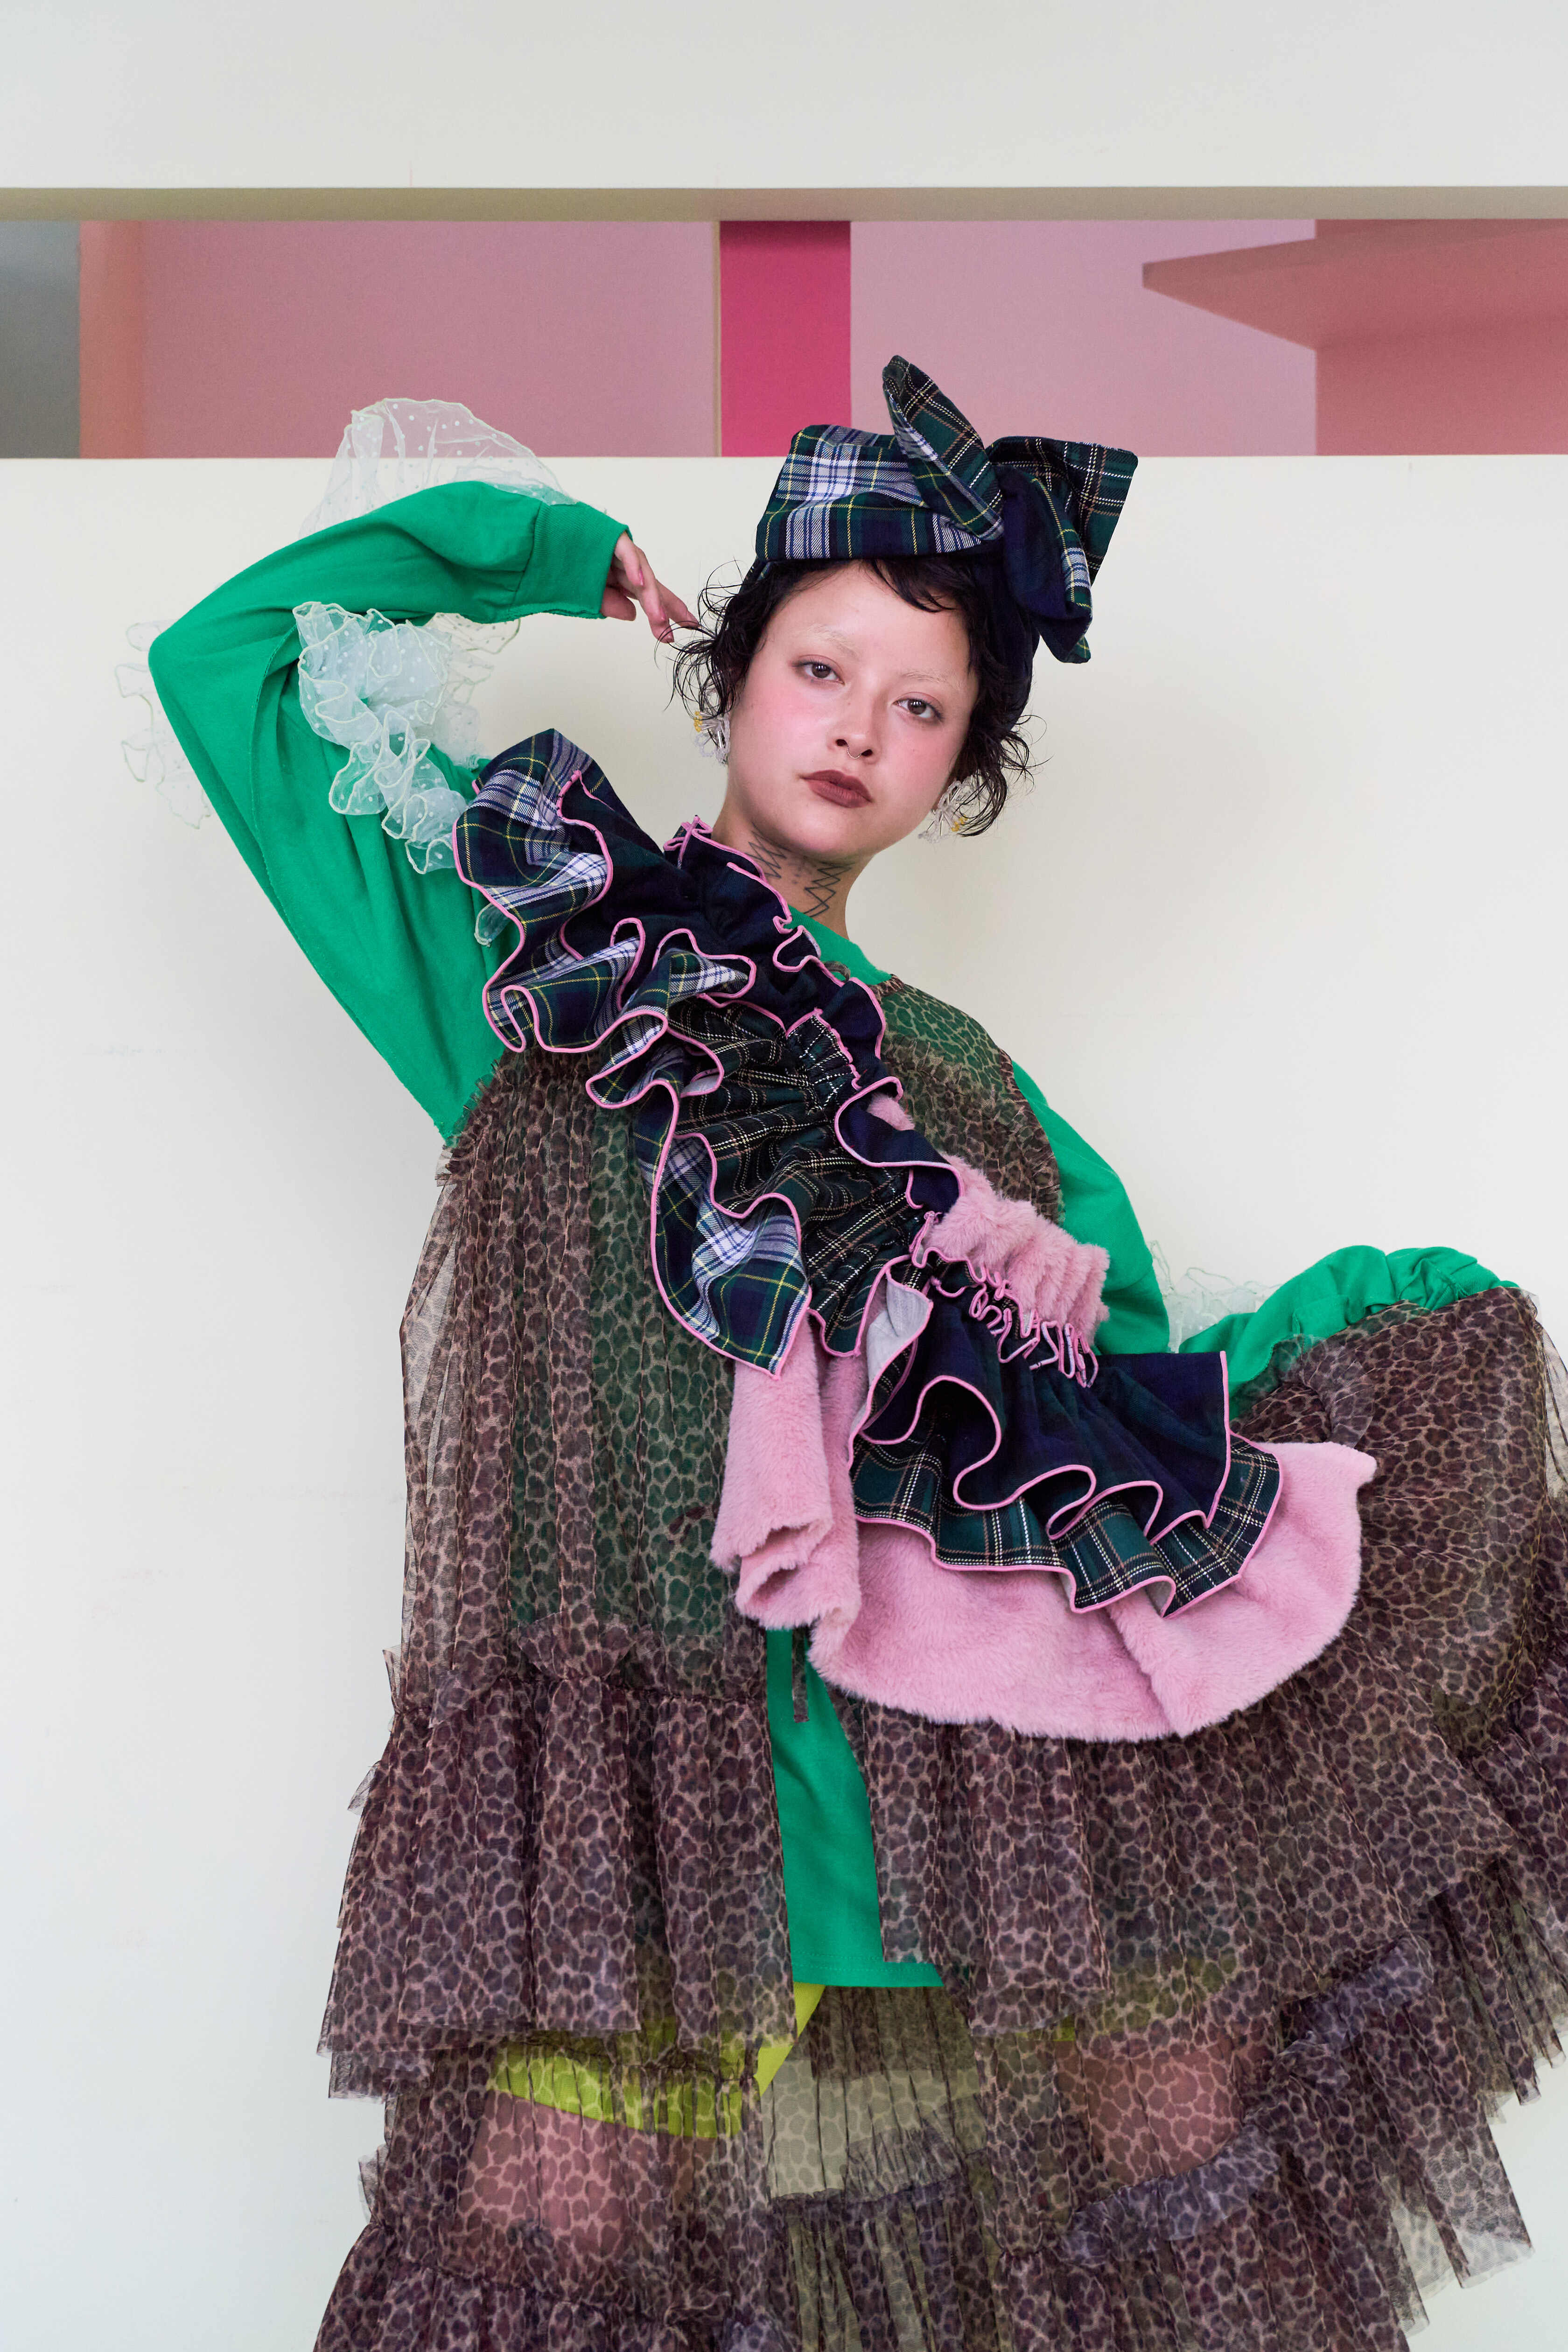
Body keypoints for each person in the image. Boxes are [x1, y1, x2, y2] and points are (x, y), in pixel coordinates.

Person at [149, 363, 1568, 2352]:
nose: (857, 731)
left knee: (1191, 2189)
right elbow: (219, 664)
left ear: (960, 768)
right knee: (538, 2247)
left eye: (921, 709)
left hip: (979, 1795)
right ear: (731, 673)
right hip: (659, 1785)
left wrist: (1383, 1339)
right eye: (820, 670)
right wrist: (539, 552)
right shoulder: (547, 948)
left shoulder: (979, 1096)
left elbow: (1123, 1451)